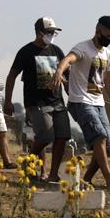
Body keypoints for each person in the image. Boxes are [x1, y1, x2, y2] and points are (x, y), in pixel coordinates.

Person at [51, 15, 110, 190]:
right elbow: (68, 59)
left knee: (106, 144)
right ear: (97, 30)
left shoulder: (108, 54)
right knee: (99, 136)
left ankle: (85, 180)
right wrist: (58, 72)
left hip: (98, 103)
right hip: (80, 101)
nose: (108, 40)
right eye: (106, 36)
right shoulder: (83, 48)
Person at [5, 17, 68, 182]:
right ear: (40, 33)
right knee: (46, 136)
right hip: (37, 102)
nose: (52, 35)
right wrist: (8, 100)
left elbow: (67, 76)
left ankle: (53, 174)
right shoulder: (26, 52)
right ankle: (28, 162)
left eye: (54, 32)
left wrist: (71, 92)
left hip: (58, 101)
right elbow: (12, 76)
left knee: (62, 136)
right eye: (49, 32)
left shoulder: (57, 51)